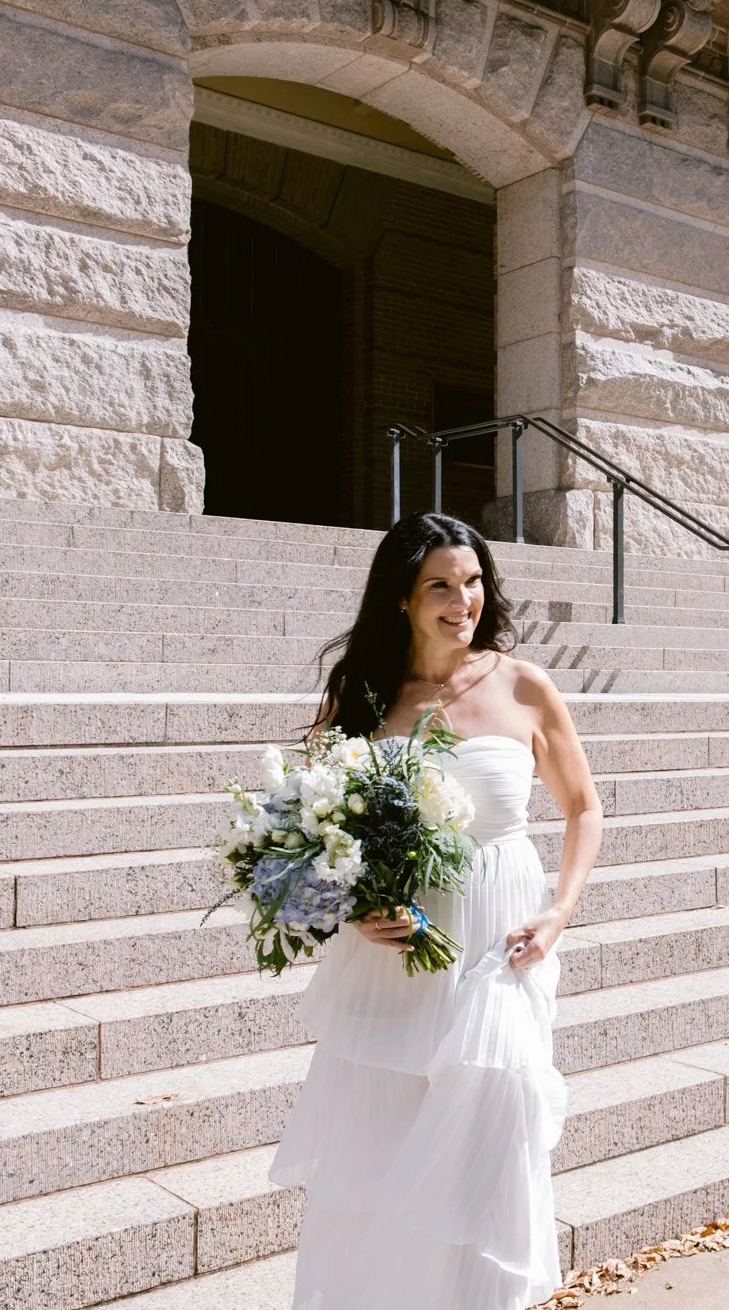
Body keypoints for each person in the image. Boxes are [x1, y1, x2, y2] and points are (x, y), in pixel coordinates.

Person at [270, 512, 603, 1309]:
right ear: (401, 598)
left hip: (500, 951)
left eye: (475, 581)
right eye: (442, 586)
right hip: (394, 966)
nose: (465, 601)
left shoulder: (524, 684)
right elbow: (309, 825)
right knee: (381, 1166)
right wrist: (354, 908)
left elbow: (586, 809)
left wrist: (558, 914)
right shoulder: (362, 691)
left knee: (486, 1155)